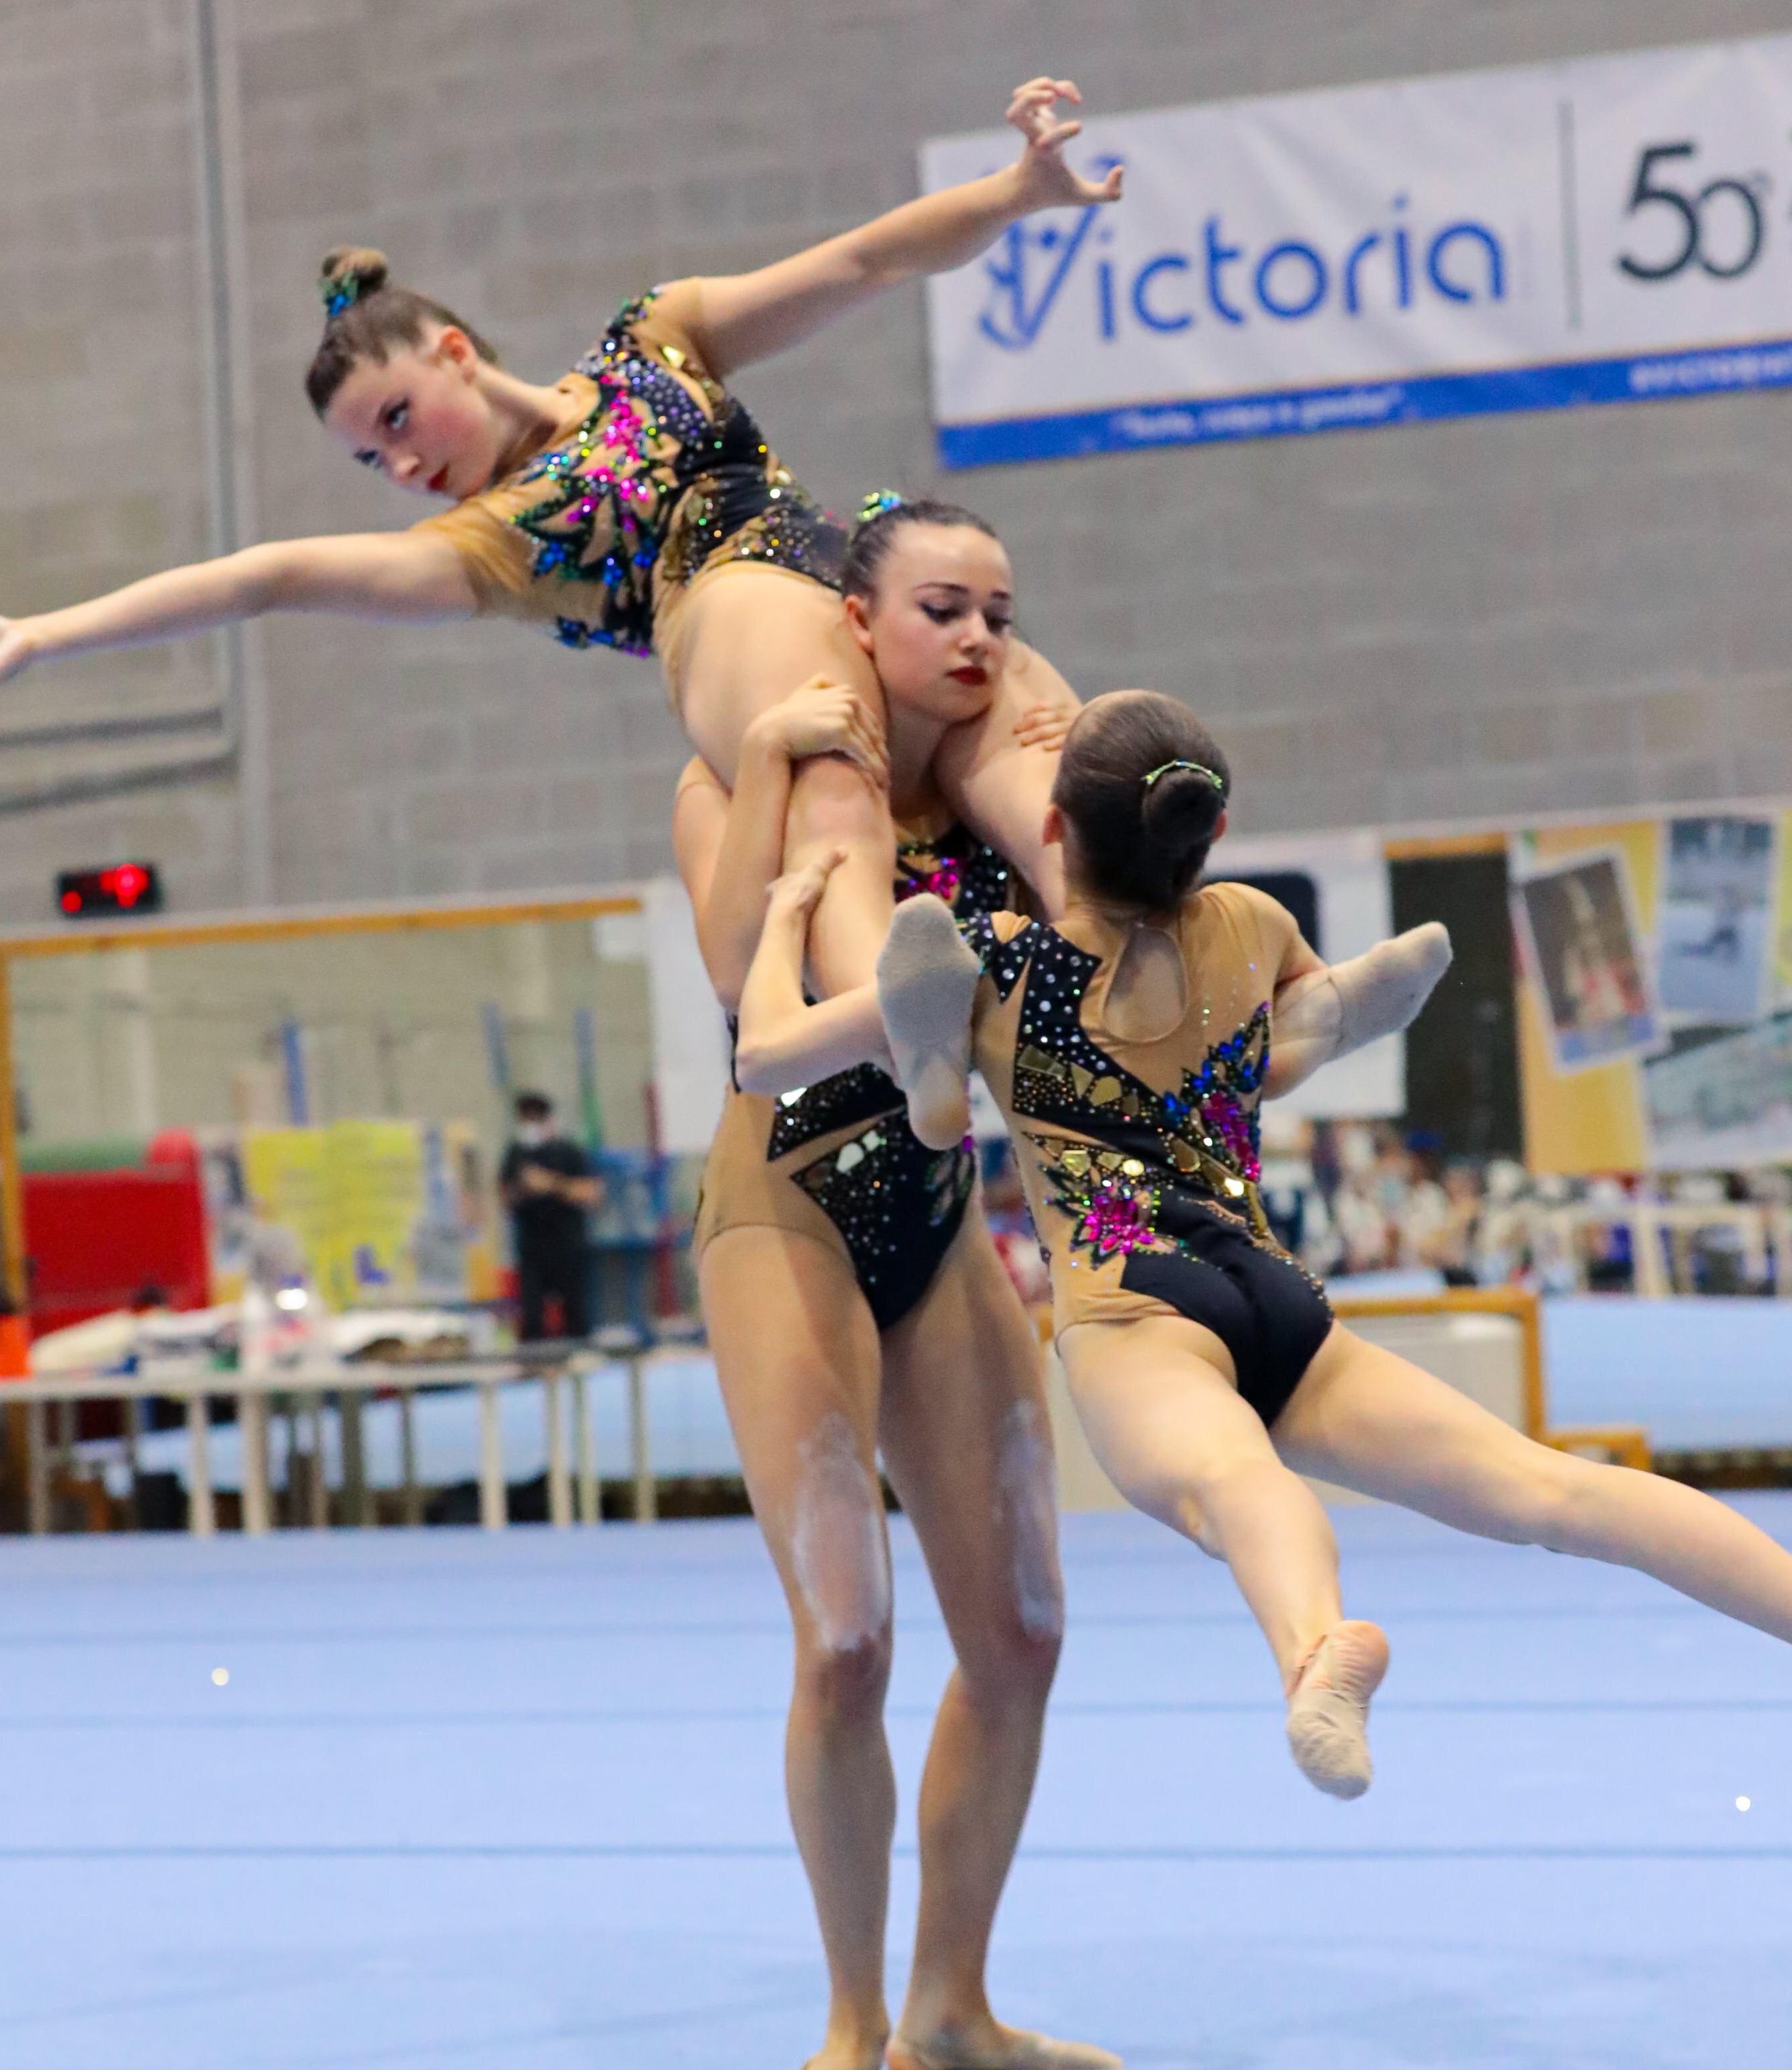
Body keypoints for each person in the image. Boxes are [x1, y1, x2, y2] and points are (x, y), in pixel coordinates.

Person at [0, 81, 1117, 1149]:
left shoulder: (657, 342)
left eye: (392, 423)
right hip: (731, 618)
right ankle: (899, 1032)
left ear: (450, 350)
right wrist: (40, 636)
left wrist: (1014, 192)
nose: (398, 470)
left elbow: (862, 262)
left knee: (1020, 709)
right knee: (832, 760)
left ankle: (1127, 957)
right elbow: (266, 574)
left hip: (848, 568)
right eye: (365, 466)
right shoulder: (485, 543)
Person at [743, 685, 1792, 1802]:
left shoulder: (999, 960)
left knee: (1233, 1481)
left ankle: (1313, 1648)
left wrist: (782, 916)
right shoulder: (1249, 925)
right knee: (1550, 1490)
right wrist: (1311, 1027)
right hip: (1272, 1291)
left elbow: (765, 1055)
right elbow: (1245, 1055)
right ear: (1209, 835)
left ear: (1049, 828)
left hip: (1134, 1306)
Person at [673, 532, 1117, 2070]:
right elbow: (743, 992)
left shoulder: (998, 820)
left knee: (1021, 1637)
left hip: (936, 1222)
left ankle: (951, 2001)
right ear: (856, 622)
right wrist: (783, 760)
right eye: (944, 609)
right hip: (785, 1200)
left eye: (1005, 611)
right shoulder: (753, 771)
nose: (982, 637)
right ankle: (850, 2026)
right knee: (847, 1641)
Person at [498, 1092, 602, 1342]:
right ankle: (535, 1372)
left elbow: (591, 1194)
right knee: (533, 1321)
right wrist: (523, 1189)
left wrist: (552, 1185)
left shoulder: (568, 1151)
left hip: (568, 1246)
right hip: (533, 1250)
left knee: (576, 1316)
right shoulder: (516, 1153)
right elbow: (504, 1197)